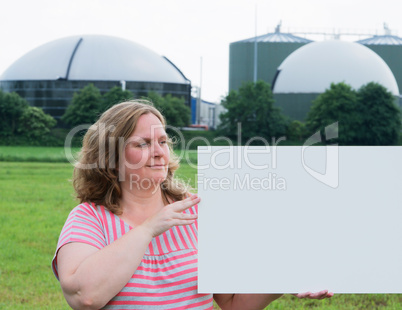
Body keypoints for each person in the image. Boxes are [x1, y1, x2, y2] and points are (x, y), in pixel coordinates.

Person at [52, 100, 333, 309]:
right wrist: (150, 228)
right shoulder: (89, 219)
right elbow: (84, 297)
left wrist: (282, 279)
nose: (159, 152)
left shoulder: (196, 213)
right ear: (110, 156)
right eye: (142, 144)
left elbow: (232, 302)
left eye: (163, 141)